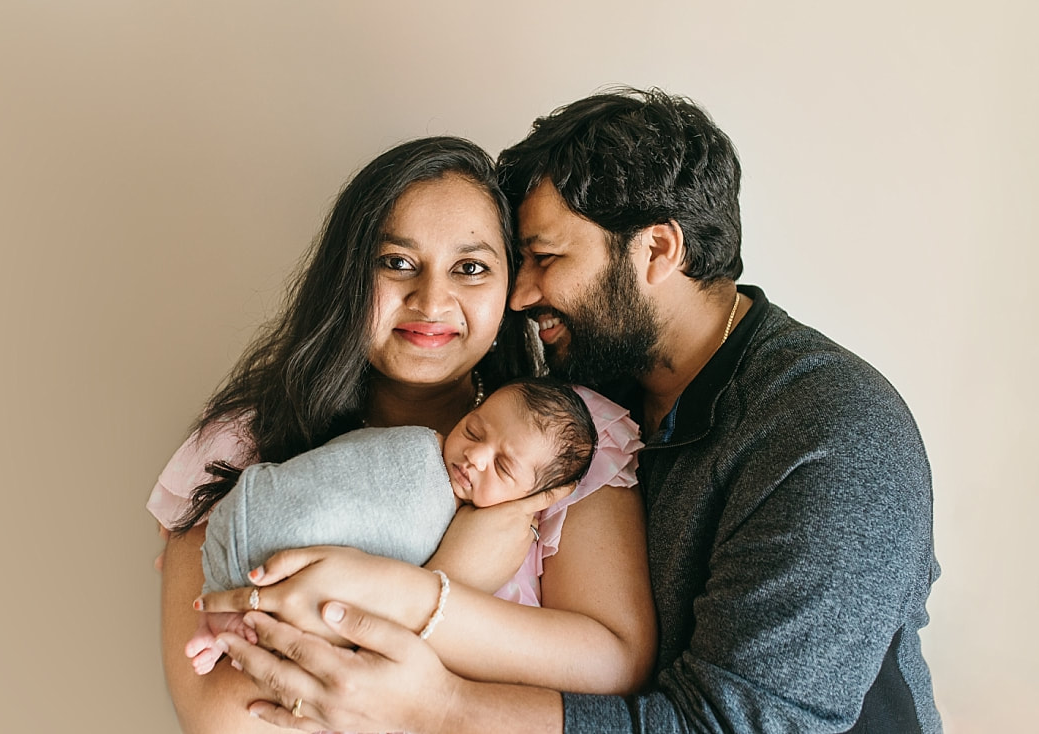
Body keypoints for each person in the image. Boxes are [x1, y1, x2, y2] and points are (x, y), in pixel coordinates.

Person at [206, 89, 941, 733]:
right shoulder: (590, 396)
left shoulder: (830, 434)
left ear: (658, 249)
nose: (521, 296)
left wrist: (441, 710)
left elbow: (737, 727)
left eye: (547, 259)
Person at [152, 135, 655, 732]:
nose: (432, 300)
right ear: (349, 278)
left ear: (511, 287)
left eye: (470, 268)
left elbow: (611, 662)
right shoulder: (239, 443)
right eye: (396, 263)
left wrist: (398, 605)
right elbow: (224, 718)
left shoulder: (563, 437)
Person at [187, 377, 599, 675]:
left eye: (503, 466)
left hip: (260, 570)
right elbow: (340, 466)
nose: (474, 456)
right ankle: (222, 618)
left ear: (535, 496)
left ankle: (219, 631)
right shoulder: (418, 446)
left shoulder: (498, 535)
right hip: (254, 517)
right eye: (474, 430)